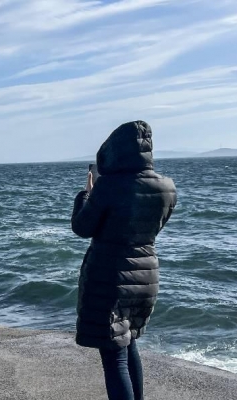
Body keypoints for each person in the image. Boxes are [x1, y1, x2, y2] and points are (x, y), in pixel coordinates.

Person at [71, 121, 177, 400]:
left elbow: (83, 228)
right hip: (147, 278)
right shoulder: (167, 187)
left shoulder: (108, 186)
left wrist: (85, 195)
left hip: (111, 278)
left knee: (114, 356)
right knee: (128, 346)